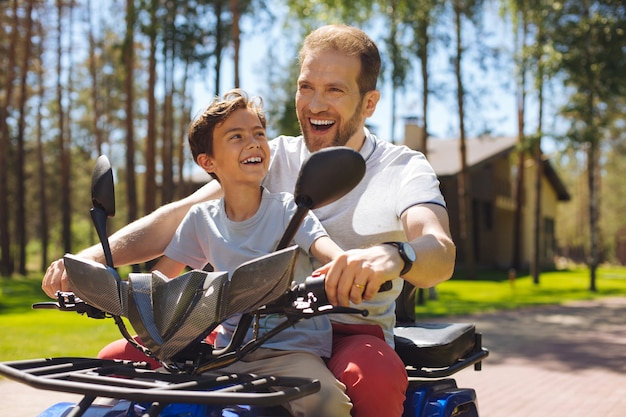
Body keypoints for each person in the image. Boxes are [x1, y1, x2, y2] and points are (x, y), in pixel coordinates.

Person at [43, 25, 455, 417]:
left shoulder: (401, 167)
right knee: (116, 362)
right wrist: (89, 260)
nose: (314, 105)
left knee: (372, 377)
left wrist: (393, 255)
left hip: (348, 330)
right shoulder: (267, 156)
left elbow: (438, 249)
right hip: (244, 328)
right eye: (306, 87)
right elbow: (178, 219)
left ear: (368, 102)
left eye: (335, 90)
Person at [105, 89, 351, 417]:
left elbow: (331, 254)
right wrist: (117, 294)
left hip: (291, 353)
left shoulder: (289, 211)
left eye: (258, 134)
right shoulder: (202, 219)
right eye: (236, 136)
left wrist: (346, 269)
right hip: (226, 353)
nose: (253, 143)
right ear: (208, 161)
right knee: (157, 402)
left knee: (329, 403)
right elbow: (161, 281)